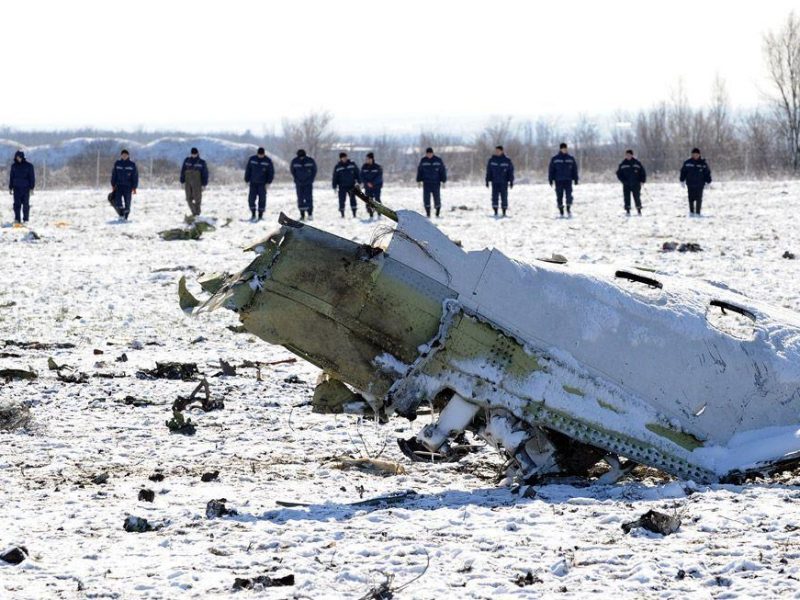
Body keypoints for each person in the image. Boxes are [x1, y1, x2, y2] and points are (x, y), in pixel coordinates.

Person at [548, 143, 579, 217]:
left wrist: (576, 179)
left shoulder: (570, 158)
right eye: (563, 148)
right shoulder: (555, 159)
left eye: (565, 148)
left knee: (569, 196)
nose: (564, 150)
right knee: (559, 196)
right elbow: (551, 170)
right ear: (560, 149)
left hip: (568, 180)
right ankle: (561, 211)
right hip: (558, 181)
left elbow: (574, 170)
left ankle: (568, 209)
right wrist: (550, 179)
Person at [244, 147, 274, 221]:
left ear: (264, 154)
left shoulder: (268, 161)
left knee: (262, 199)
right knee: (251, 199)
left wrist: (269, 182)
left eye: (262, 155)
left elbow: (271, 172)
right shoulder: (252, 159)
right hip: (253, 183)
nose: (261, 156)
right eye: (259, 154)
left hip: (262, 184)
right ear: (257, 153)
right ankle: (253, 214)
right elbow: (248, 169)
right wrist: (246, 179)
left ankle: (260, 215)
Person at [679, 148, 712, 216]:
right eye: (694, 154)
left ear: (699, 155)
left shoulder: (703, 164)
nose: (695, 156)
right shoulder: (687, 163)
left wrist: (708, 182)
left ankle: (698, 213)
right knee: (691, 198)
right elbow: (683, 172)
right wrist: (682, 180)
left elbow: (707, 173)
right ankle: (691, 212)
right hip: (690, 184)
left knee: (698, 199)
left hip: (700, 184)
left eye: (697, 154)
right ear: (692, 155)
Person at [416, 147, 447, 217]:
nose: (429, 155)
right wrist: (418, 180)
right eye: (428, 154)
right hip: (426, 183)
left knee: (437, 198)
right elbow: (420, 171)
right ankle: (428, 213)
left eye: (430, 153)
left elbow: (442, 171)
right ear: (426, 154)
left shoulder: (438, 160)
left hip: (436, 183)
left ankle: (437, 213)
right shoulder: (423, 161)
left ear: (432, 153)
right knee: (426, 198)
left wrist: (444, 180)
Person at [485, 145, 514, 217]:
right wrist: (487, 180)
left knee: (504, 197)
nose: (497, 152)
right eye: (496, 151)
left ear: (502, 151)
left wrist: (511, 181)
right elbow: (489, 171)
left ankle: (504, 211)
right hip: (495, 182)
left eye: (498, 151)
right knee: (494, 197)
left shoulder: (507, 160)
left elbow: (510, 172)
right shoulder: (492, 160)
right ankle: (495, 211)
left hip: (504, 182)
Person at [616, 149, 647, 216]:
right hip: (626, 184)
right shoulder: (623, 164)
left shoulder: (637, 163)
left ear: (632, 155)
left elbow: (642, 172)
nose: (628, 156)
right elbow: (618, 174)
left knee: (637, 197)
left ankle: (639, 210)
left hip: (636, 183)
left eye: (629, 155)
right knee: (626, 197)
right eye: (626, 155)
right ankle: (628, 210)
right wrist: (623, 181)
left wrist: (642, 180)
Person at [179, 147, 209, 216]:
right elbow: (183, 171)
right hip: (188, 182)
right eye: (192, 154)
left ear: (197, 153)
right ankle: (195, 212)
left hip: (197, 183)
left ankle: (197, 214)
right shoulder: (187, 161)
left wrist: (204, 184)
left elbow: (205, 174)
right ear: (191, 153)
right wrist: (182, 181)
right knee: (188, 199)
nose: (193, 155)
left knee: (197, 199)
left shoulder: (202, 162)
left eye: (195, 154)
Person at [8, 151, 35, 226]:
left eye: (19, 157)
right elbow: (11, 177)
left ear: (22, 157)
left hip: (26, 189)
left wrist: (32, 188)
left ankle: (25, 220)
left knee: (26, 205)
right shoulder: (14, 166)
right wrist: (10, 187)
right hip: (16, 188)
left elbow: (32, 177)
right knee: (16, 205)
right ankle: (17, 219)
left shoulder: (29, 166)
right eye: (17, 157)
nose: (18, 158)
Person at [111, 149, 139, 220]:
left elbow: (135, 176)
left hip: (128, 187)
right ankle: (121, 214)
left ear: (128, 155)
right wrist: (113, 184)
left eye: (125, 155)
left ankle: (126, 216)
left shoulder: (132, 164)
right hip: (119, 186)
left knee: (127, 202)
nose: (124, 156)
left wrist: (134, 187)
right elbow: (114, 174)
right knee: (118, 202)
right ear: (121, 155)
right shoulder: (117, 163)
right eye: (123, 155)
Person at [290, 149, 317, 220]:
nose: (301, 158)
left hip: (308, 183)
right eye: (300, 157)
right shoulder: (294, 161)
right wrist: (296, 179)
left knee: (309, 198)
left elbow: (314, 170)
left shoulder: (310, 160)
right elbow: (292, 171)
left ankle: (310, 214)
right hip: (299, 183)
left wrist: (311, 179)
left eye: (303, 157)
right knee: (300, 198)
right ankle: (302, 214)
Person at [332, 152, 361, 218]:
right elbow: (335, 177)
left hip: (351, 185)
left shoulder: (352, 164)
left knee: (353, 199)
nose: (344, 158)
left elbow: (357, 173)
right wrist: (334, 186)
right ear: (340, 158)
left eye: (345, 157)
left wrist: (359, 182)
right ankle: (342, 214)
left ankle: (354, 214)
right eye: (343, 158)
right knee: (342, 200)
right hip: (342, 186)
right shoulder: (338, 166)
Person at [360, 152, 383, 219]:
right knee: (368, 200)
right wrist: (367, 183)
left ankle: (379, 214)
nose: (367, 160)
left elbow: (379, 177)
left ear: (372, 159)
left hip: (376, 186)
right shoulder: (364, 167)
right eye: (366, 159)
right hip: (367, 187)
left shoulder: (378, 167)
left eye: (368, 159)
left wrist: (372, 183)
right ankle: (371, 214)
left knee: (377, 200)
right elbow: (361, 176)